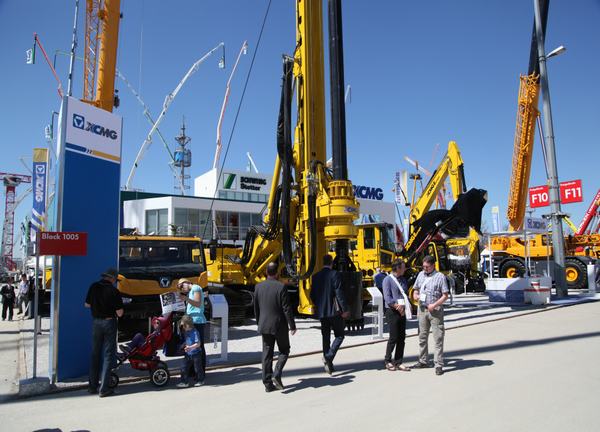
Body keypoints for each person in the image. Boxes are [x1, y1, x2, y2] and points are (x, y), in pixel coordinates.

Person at [254, 262, 296, 392]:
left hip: (264, 324)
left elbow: (256, 307)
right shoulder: (281, 287)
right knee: (284, 350)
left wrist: (259, 322)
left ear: (266, 272)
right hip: (279, 325)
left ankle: (267, 383)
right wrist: (292, 325)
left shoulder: (258, 287)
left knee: (267, 353)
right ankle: (277, 374)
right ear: (277, 273)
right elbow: (286, 308)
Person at [85, 268, 124, 397]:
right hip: (109, 323)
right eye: (115, 280)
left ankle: (92, 386)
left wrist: (98, 306)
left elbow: (87, 305)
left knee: (95, 354)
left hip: (96, 322)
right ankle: (104, 389)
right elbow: (120, 313)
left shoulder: (94, 287)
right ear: (112, 279)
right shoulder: (114, 291)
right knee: (108, 355)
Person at [310, 254, 350, 375]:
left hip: (322, 312)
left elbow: (312, 295)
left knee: (325, 337)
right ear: (332, 263)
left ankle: (329, 365)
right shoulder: (334, 274)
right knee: (340, 335)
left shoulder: (315, 276)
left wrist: (318, 305)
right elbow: (339, 293)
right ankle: (329, 357)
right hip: (334, 312)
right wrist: (345, 309)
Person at [411, 255, 449, 376]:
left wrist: (435, 304)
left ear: (433, 265)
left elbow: (445, 295)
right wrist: (415, 295)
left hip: (435, 311)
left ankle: (438, 364)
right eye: (423, 266)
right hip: (422, 310)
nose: (425, 269)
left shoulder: (440, 277)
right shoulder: (420, 275)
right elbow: (415, 289)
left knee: (438, 338)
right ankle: (423, 361)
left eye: (427, 267)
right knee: (422, 337)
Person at [382, 260, 411, 371]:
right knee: (393, 337)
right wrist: (397, 306)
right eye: (403, 267)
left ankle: (398, 361)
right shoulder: (387, 280)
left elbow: (405, 293)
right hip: (392, 311)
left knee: (401, 337)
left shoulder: (403, 279)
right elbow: (387, 297)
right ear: (397, 268)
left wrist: (404, 307)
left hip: (402, 310)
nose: (405, 269)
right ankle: (387, 360)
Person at [178, 278, 207, 383]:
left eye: (182, 285)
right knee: (193, 346)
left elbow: (198, 303)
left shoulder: (195, 287)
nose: (182, 288)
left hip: (197, 320)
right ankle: (195, 371)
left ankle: (200, 373)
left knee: (199, 347)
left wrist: (186, 298)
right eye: (180, 287)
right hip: (192, 320)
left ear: (187, 282)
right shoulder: (191, 291)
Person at [177, 314, 204, 388]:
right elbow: (187, 341)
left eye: (184, 325)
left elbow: (198, 344)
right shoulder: (186, 332)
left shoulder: (195, 332)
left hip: (196, 353)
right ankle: (184, 382)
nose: (183, 327)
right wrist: (184, 346)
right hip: (188, 353)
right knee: (184, 367)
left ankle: (200, 380)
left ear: (188, 325)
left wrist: (190, 347)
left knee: (197, 368)